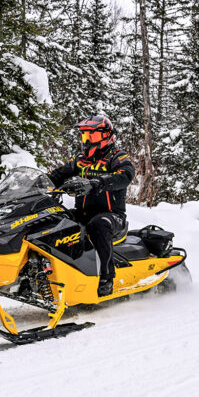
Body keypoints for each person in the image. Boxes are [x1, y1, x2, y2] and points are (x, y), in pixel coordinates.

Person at [48, 115, 135, 297]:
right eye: (84, 136)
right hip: (83, 212)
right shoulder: (81, 159)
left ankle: (106, 278)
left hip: (112, 215)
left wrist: (96, 183)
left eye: (91, 136)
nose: (86, 141)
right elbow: (58, 174)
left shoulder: (118, 157)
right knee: (55, 219)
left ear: (106, 136)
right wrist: (40, 182)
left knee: (98, 224)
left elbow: (125, 176)